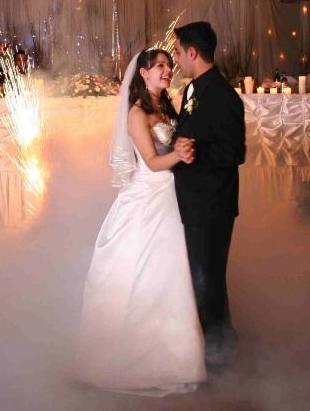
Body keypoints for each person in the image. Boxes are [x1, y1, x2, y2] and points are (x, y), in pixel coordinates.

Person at [76, 49, 206, 396]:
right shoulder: (137, 113)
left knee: (172, 274)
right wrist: (179, 154)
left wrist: (188, 149)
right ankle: (141, 360)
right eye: (160, 66)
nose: (167, 70)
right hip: (151, 196)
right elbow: (150, 161)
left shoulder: (169, 107)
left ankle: (176, 358)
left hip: (173, 193)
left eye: (169, 65)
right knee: (155, 271)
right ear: (144, 74)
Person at [172, 22, 246, 369]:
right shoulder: (193, 88)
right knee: (203, 280)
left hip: (212, 204)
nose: (175, 59)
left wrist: (192, 153)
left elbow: (235, 152)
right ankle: (221, 347)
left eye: (177, 52)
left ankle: (220, 360)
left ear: (192, 53)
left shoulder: (222, 95)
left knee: (207, 282)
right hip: (195, 201)